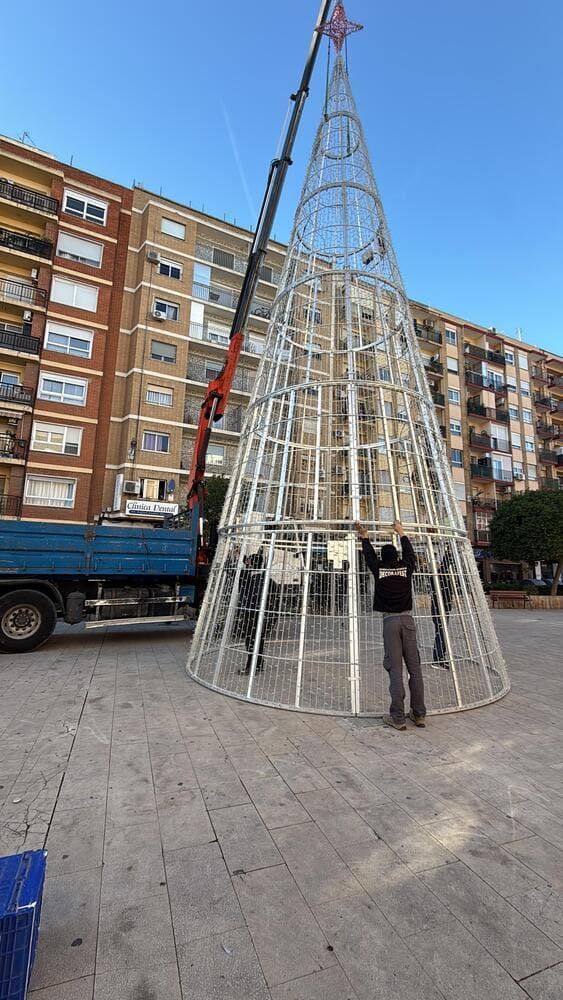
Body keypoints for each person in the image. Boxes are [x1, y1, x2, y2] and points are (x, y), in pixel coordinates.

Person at [355, 519, 426, 731]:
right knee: (415, 668)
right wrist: (401, 531)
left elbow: (369, 556)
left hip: (390, 622)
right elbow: (410, 554)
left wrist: (365, 537)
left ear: (383, 558)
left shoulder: (379, 569)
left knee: (395, 669)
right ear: (396, 557)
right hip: (408, 620)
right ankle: (419, 714)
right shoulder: (406, 567)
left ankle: (398, 717)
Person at [237, 550, 275, 675]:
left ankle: (251, 666)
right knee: (259, 639)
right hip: (262, 613)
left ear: (252, 564)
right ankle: (258, 664)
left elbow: (235, 572)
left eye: (249, 562)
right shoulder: (266, 579)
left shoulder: (250, 579)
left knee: (251, 639)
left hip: (252, 613)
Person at [430, 544, 454, 668]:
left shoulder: (441, 576)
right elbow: (445, 565)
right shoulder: (438, 576)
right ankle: (438, 658)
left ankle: (440, 656)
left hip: (443, 608)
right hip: (439, 609)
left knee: (441, 633)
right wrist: (448, 551)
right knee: (441, 633)